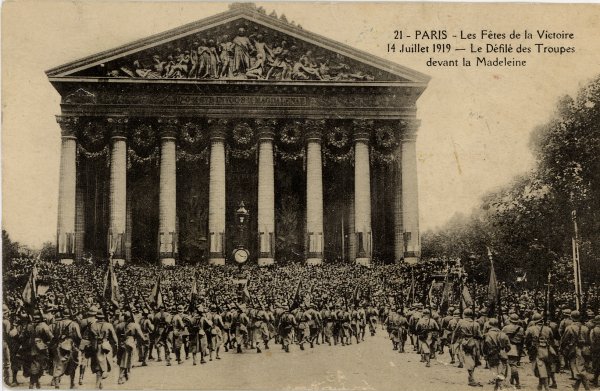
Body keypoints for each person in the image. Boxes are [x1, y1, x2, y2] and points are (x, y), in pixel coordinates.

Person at [526, 313, 558, 391]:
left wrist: (529, 349)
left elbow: (527, 340)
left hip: (537, 350)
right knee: (545, 367)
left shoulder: (530, 329)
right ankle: (540, 385)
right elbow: (552, 340)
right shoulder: (548, 329)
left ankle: (546, 387)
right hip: (547, 350)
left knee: (540, 368)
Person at [560, 310, 591, 391]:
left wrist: (562, 349)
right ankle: (576, 388)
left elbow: (564, 340)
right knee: (580, 369)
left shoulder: (569, 328)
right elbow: (589, 341)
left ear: (571, 317)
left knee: (579, 371)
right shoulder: (585, 328)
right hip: (585, 350)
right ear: (580, 317)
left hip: (574, 350)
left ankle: (586, 388)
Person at [452, 308, 483, 387]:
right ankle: (471, 377)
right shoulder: (476, 324)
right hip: (475, 342)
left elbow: (456, 332)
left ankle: (471, 378)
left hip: (465, 342)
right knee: (474, 358)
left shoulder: (461, 322)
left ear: (464, 314)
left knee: (468, 358)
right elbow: (480, 335)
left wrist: (453, 341)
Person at [89, 309, 117, 389]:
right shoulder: (108, 325)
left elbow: (90, 337)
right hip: (106, 346)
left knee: (98, 365)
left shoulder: (92, 325)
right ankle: (98, 384)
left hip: (95, 346)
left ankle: (99, 383)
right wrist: (115, 347)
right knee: (105, 364)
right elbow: (114, 338)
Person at [116, 311, 145, 384]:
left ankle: (125, 375)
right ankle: (122, 376)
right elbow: (141, 336)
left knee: (122, 360)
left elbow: (116, 335)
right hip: (130, 342)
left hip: (121, 343)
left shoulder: (119, 325)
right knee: (127, 360)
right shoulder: (135, 325)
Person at [482, 318, 510, 391]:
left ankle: (498, 387)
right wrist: (503, 351)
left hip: (491, 355)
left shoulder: (486, 335)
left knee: (494, 371)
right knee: (501, 372)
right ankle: (498, 387)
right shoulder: (503, 334)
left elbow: (484, 347)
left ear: (489, 325)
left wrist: (485, 355)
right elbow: (508, 347)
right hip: (502, 355)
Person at [502, 313, 525, 389]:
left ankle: (512, 382)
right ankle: (515, 382)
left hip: (507, 347)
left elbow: (502, 337)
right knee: (513, 365)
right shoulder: (521, 329)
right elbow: (522, 341)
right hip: (516, 347)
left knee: (507, 365)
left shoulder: (505, 328)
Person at [590, 315, 600, 387]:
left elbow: (592, 341)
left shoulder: (594, 330)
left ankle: (595, 380)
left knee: (596, 364)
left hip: (596, 349)